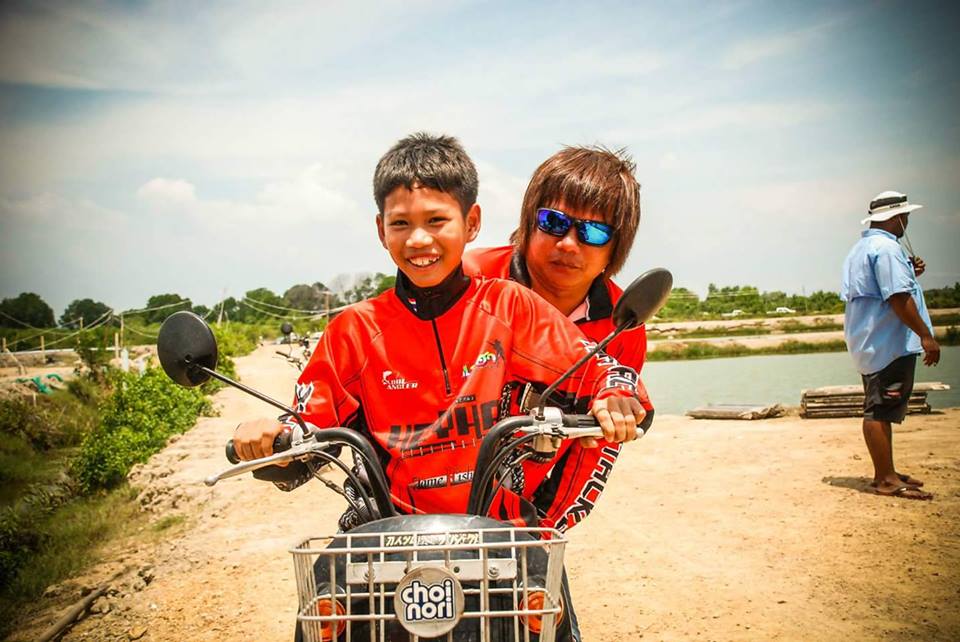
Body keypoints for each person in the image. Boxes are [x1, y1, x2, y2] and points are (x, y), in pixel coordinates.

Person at [234, 132, 651, 533]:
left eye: (594, 231)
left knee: (544, 597)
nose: (420, 241)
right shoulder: (359, 327)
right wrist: (270, 439)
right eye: (554, 222)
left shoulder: (513, 306)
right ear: (381, 230)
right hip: (384, 528)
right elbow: (307, 424)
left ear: (470, 223)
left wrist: (545, 530)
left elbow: (606, 386)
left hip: (502, 525)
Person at [841, 190, 940, 501]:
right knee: (879, 411)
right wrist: (925, 335)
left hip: (871, 342)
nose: (907, 221)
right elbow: (897, 297)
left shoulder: (862, 248)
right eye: (906, 216)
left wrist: (910, 271)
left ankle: (887, 471)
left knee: (881, 408)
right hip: (888, 343)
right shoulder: (885, 250)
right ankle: (885, 478)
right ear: (897, 217)